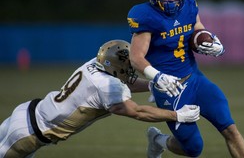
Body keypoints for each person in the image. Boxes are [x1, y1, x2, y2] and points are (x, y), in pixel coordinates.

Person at [127, 0, 244, 158]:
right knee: (193, 148)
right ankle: (158, 140)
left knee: (230, 128)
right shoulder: (145, 15)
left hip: (195, 79)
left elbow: (197, 27)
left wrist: (207, 39)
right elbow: (136, 58)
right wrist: (157, 77)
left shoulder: (189, 3)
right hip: (171, 89)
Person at [0, 40, 201, 158]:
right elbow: (137, 111)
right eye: (128, 65)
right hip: (29, 134)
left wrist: (151, 85)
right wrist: (176, 115)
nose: (131, 69)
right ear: (115, 65)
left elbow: (125, 80)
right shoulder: (108, 85)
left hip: (27, 111)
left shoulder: (96, 64)